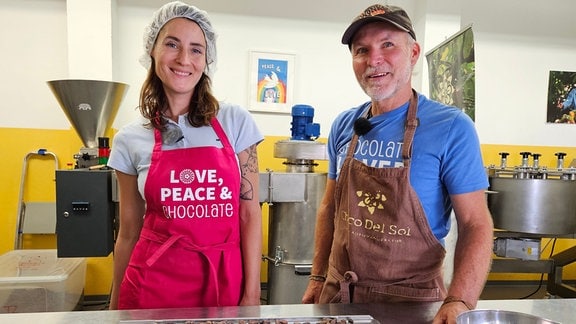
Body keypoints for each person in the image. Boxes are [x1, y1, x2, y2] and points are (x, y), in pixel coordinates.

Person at [301, 4, 494, 323]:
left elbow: (476, 223)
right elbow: (329, 209)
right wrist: (318, 277)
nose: (373, 59)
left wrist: (459, 299)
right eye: (362, 49)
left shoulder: (451, 128)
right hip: (340, 298)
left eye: (387, 44)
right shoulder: (344, 125)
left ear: (414, 52)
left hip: (412, 304)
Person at [107, 1, 263, 310]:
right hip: (153, 283)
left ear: (207, 60)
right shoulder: (129, 139)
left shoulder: (235, 122)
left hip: (222, 279)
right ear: (152, 51)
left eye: (196, 49)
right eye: (172, 44)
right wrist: (115, 305)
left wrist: (253, 293)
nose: (183, 59)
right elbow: (128, 231)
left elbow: (249, 214)